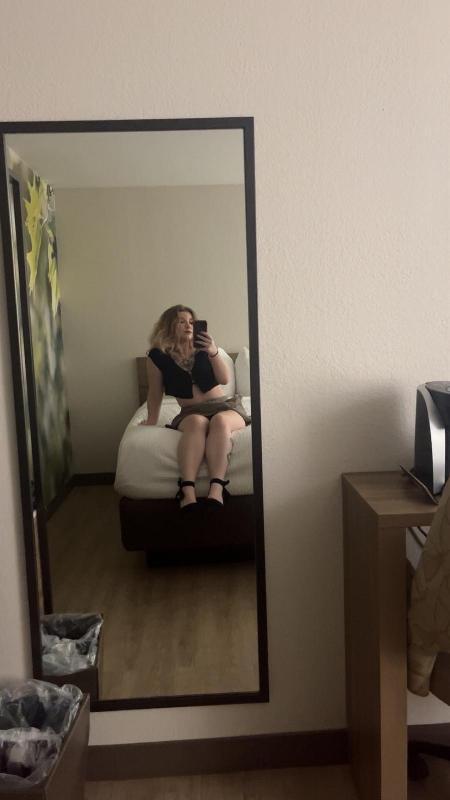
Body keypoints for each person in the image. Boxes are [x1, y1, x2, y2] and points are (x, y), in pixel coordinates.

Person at [141, 305, 250, 510]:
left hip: (223, 406)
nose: (188, 325)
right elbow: (155, 392)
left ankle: (217, 489)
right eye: (181, 321)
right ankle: (187, 491)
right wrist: (151, 420)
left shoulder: (204, 349)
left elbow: (224, 379)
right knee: (196, 424)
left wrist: (213, 351)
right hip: (191, 412)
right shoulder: (157, 356)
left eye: (191, 322)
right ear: (169, 325)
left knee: (220, 421)